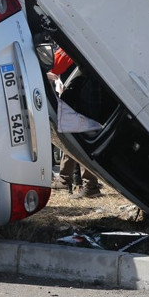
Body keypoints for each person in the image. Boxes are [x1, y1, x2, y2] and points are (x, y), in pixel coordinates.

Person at [47, 46, 102, 198]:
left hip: (86, 94)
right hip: (84, 91)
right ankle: (67, 179)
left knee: (82, 137)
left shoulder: (71, 43)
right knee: (73, 136)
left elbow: (55, 64)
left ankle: (89, 185)